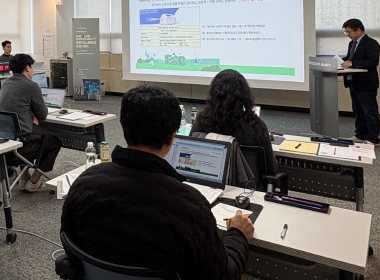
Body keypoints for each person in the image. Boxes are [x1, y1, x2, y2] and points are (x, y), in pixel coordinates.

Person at [61, 85, 252, 279]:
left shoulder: (84, 184)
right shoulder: (189, 207)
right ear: (171, 138)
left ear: (124, 128)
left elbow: (71, 251)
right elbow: (223, 276)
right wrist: (238, 234)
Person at [0, 53, 61, 192]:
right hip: (19, 148)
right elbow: (42, 114)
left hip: (2, 145)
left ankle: (24, 177)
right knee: (54, 142)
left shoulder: (6, 83)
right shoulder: (31, 86)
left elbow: (15, 106)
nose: (32, 70)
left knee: (24, 132)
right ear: (27, 68)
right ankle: (34, 181)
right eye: (32, 67)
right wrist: (32, 114)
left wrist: (29, 113)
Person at [193, 69, 278, 175]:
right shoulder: (256, 125)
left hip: (209, 180)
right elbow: (271, 168)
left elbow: (188, 150)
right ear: (244, 96)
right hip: (248, 184)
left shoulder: (202, 120)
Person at [341, 18, 380, 146]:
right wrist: (340, 61)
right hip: (353, 82)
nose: (347, 35)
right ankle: (360, 134)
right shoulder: (352, 43)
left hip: (366, 83)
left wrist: (352, 63)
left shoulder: (371, 43)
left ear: (358, 30)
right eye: (346, 32)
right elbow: (350, 58)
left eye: (349, 32)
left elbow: (373, 61)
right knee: (358, 110)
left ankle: (373, 139)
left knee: (370, 112)